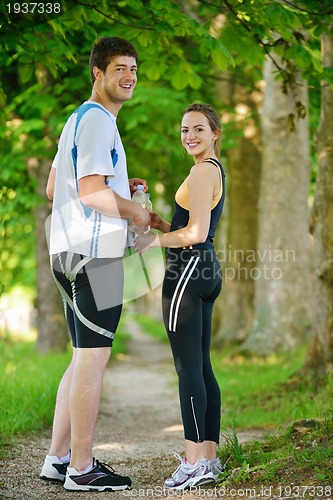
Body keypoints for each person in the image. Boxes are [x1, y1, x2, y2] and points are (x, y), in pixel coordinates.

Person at [40, 36, 150, 492]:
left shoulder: (76, 120)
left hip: (65, 252)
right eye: (119, 68)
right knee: (93, 360)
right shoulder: (100, 121)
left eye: (134, 69)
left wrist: (121, 187)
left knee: (80, 358)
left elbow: (54, 188)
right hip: (96, 254)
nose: (129, 76)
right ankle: (82, 468)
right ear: (98, 74)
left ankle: (57, 459)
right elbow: (89, 192)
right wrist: (135, 210)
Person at [135, 103, 225, 490]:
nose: (190, 136)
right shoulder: (214, 171)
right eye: (184, 130)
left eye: (198, 129)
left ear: (215, 133)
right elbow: (190, 227)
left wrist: (154, 241)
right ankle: (209, 459)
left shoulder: (201, 171)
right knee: (201, 367)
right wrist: (162, 224)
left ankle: (193, 464)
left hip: (188, 271)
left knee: (188, 369)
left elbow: (195, 234)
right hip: (206, 269)